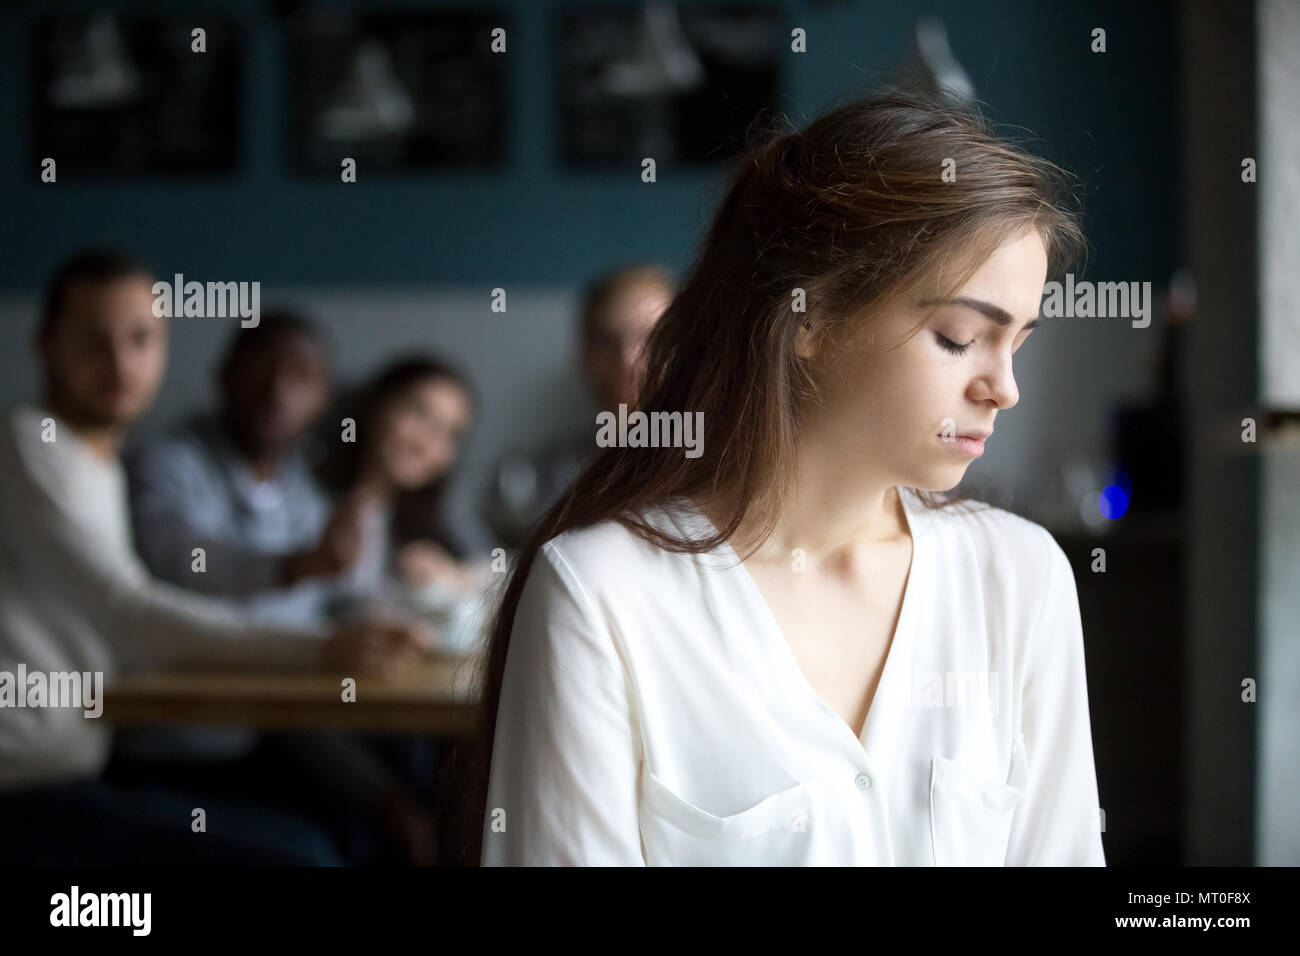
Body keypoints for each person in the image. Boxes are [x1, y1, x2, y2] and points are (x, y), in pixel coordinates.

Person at [474, 88, 1106, 866]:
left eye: (1018, 343)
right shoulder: (604, 594)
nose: (1003, 388)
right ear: (808, 318)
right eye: (959, 337)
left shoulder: (1019, 577)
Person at [0, 248, 431, 865]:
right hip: (30, 785)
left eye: (141, 339)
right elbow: (131, 612)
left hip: (78, 766)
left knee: (367, 814)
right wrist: (323, 648)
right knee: (307, 856)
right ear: (44, 345)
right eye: (94, 342)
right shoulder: (30, 447)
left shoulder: (96, 465)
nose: (121, 363)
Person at [483, 264, 674, 549]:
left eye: (649, 337)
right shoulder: (553, 472)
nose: (628, 361)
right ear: (584, 356)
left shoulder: (715, 461)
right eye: (608, 342)